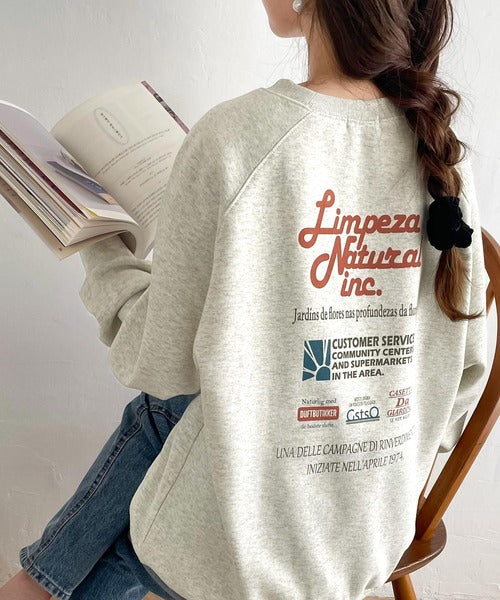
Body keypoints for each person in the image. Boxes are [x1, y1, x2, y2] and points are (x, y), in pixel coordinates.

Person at [1, 0, 489, 599]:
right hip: (368, 537)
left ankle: (33, 586)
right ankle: (34, 586)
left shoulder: (238, 136)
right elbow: (468, 371)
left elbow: (154, 361)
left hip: (239, 556)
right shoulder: (439, 153)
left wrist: (99, 245)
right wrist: (363, 470)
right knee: (185, 430)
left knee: (160, 425)